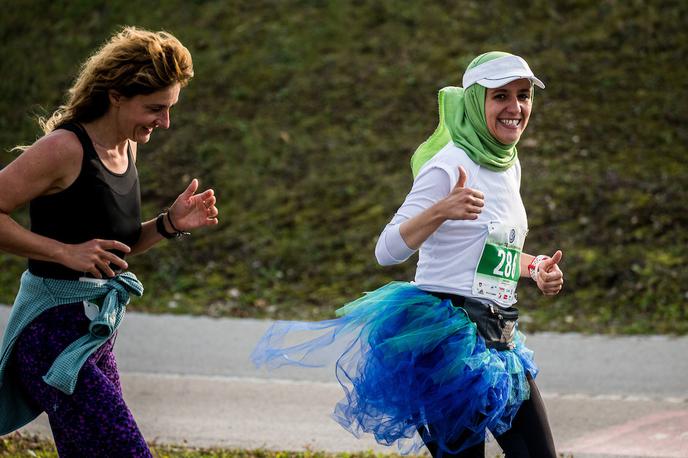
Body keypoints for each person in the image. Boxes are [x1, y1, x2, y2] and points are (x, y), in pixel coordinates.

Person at [252, 51, 563, 458]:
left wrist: (535, 268)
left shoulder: (508, 163)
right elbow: (387, 250)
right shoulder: (448, 165)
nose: (515, 108)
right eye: (500, 96)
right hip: (446, 342)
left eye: (523, 96)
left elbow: (487, 252)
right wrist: (440, 210)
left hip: (499, 340)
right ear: (475, 102)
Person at [0, 26, 219, 457]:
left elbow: (113, 250)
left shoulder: (125, 149)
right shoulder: (64, 148)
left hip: (95, 333)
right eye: (155, 108)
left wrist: (169, 224)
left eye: (170, 108)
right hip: (50, 337)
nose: (165, 122)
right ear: (116, 95)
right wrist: (63, 252)